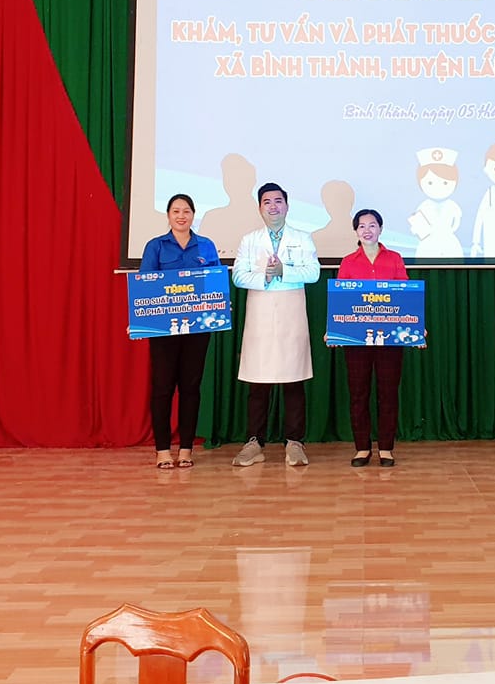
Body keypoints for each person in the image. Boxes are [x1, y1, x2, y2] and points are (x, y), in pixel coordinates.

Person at [231, 183, 321, 467]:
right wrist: (266, 277)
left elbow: (314, 272)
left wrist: (285, 271)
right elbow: (238, 276)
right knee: (258, 384)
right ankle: (254, 443)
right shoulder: (249, 240)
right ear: (260, 208)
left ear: (287, 206)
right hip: (260, 317)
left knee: (293, 382)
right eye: (267, 202)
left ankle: (294, 443)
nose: (273, 206)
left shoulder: (302, 238)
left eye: (278, 201)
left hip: (291, 316)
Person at [140, 193, 221, 471]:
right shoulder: (156, 246)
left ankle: (186, 448)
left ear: (193, 215)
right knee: (162, 388)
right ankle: (162, 450)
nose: (181, 216)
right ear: (168, 216)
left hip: (198, 330)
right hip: (164, 331)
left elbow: (215, 283)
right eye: (176, 211)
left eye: (186, 211)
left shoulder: (206, 246)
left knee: (190, 388)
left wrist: (220, 302)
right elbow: (145, 286)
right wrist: (140, 316)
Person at [336, 208, 410, 467]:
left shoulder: (395, 258)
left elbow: (405, 296)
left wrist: (415, 325)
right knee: (358, 393)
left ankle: (386, 448)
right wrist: (333, 328)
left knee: (388, 393)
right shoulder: (348, 262)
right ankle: (362, 448)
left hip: (390, 339)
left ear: (380, 228)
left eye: (372, 225)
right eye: (362, 226)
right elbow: (341, 300)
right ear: (356, 231)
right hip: (356, 340)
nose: (367, 230)